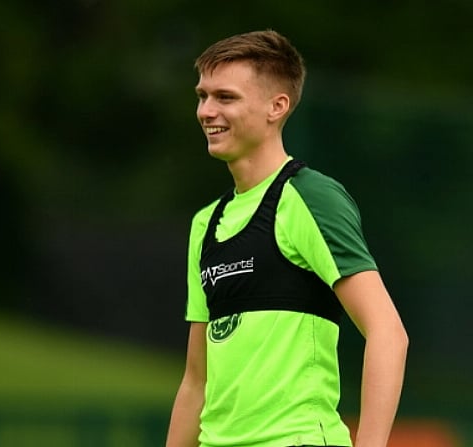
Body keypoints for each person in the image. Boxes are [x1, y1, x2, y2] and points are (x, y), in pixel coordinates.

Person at [166, 30, 408, 447]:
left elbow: (387, 332)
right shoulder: (206, 223)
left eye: (225, 97)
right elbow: (196, 381)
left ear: (277, 107)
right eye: (203, 95)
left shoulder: (311, 198)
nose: (206, 110)